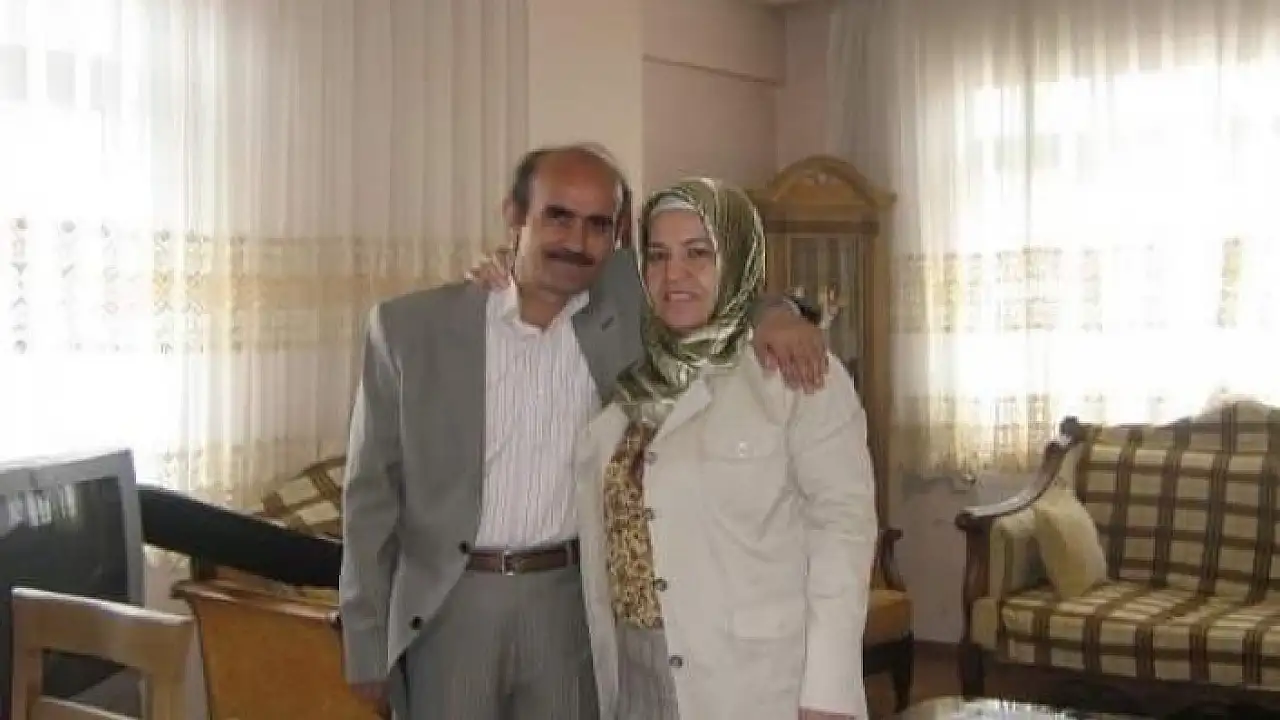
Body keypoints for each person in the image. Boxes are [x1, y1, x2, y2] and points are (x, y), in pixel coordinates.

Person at [339, 144, 831, 720]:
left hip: (571, 603)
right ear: (514, 214)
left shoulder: (627, 301)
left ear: (617, 236)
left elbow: (723, 293)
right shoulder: (410, 329)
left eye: (598, 224)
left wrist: (782, 314)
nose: (577, 241)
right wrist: (365, 637)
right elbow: (371, 497)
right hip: (453, 605)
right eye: (558, 216)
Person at [573, 178, 877, 720]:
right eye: (658, 256)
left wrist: (829, 691)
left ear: (737, 258)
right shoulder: (634, 380)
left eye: (699, 253)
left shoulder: (793, 372)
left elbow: (843, 529)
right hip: (635, 673)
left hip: (753, 680)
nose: (674, 274)